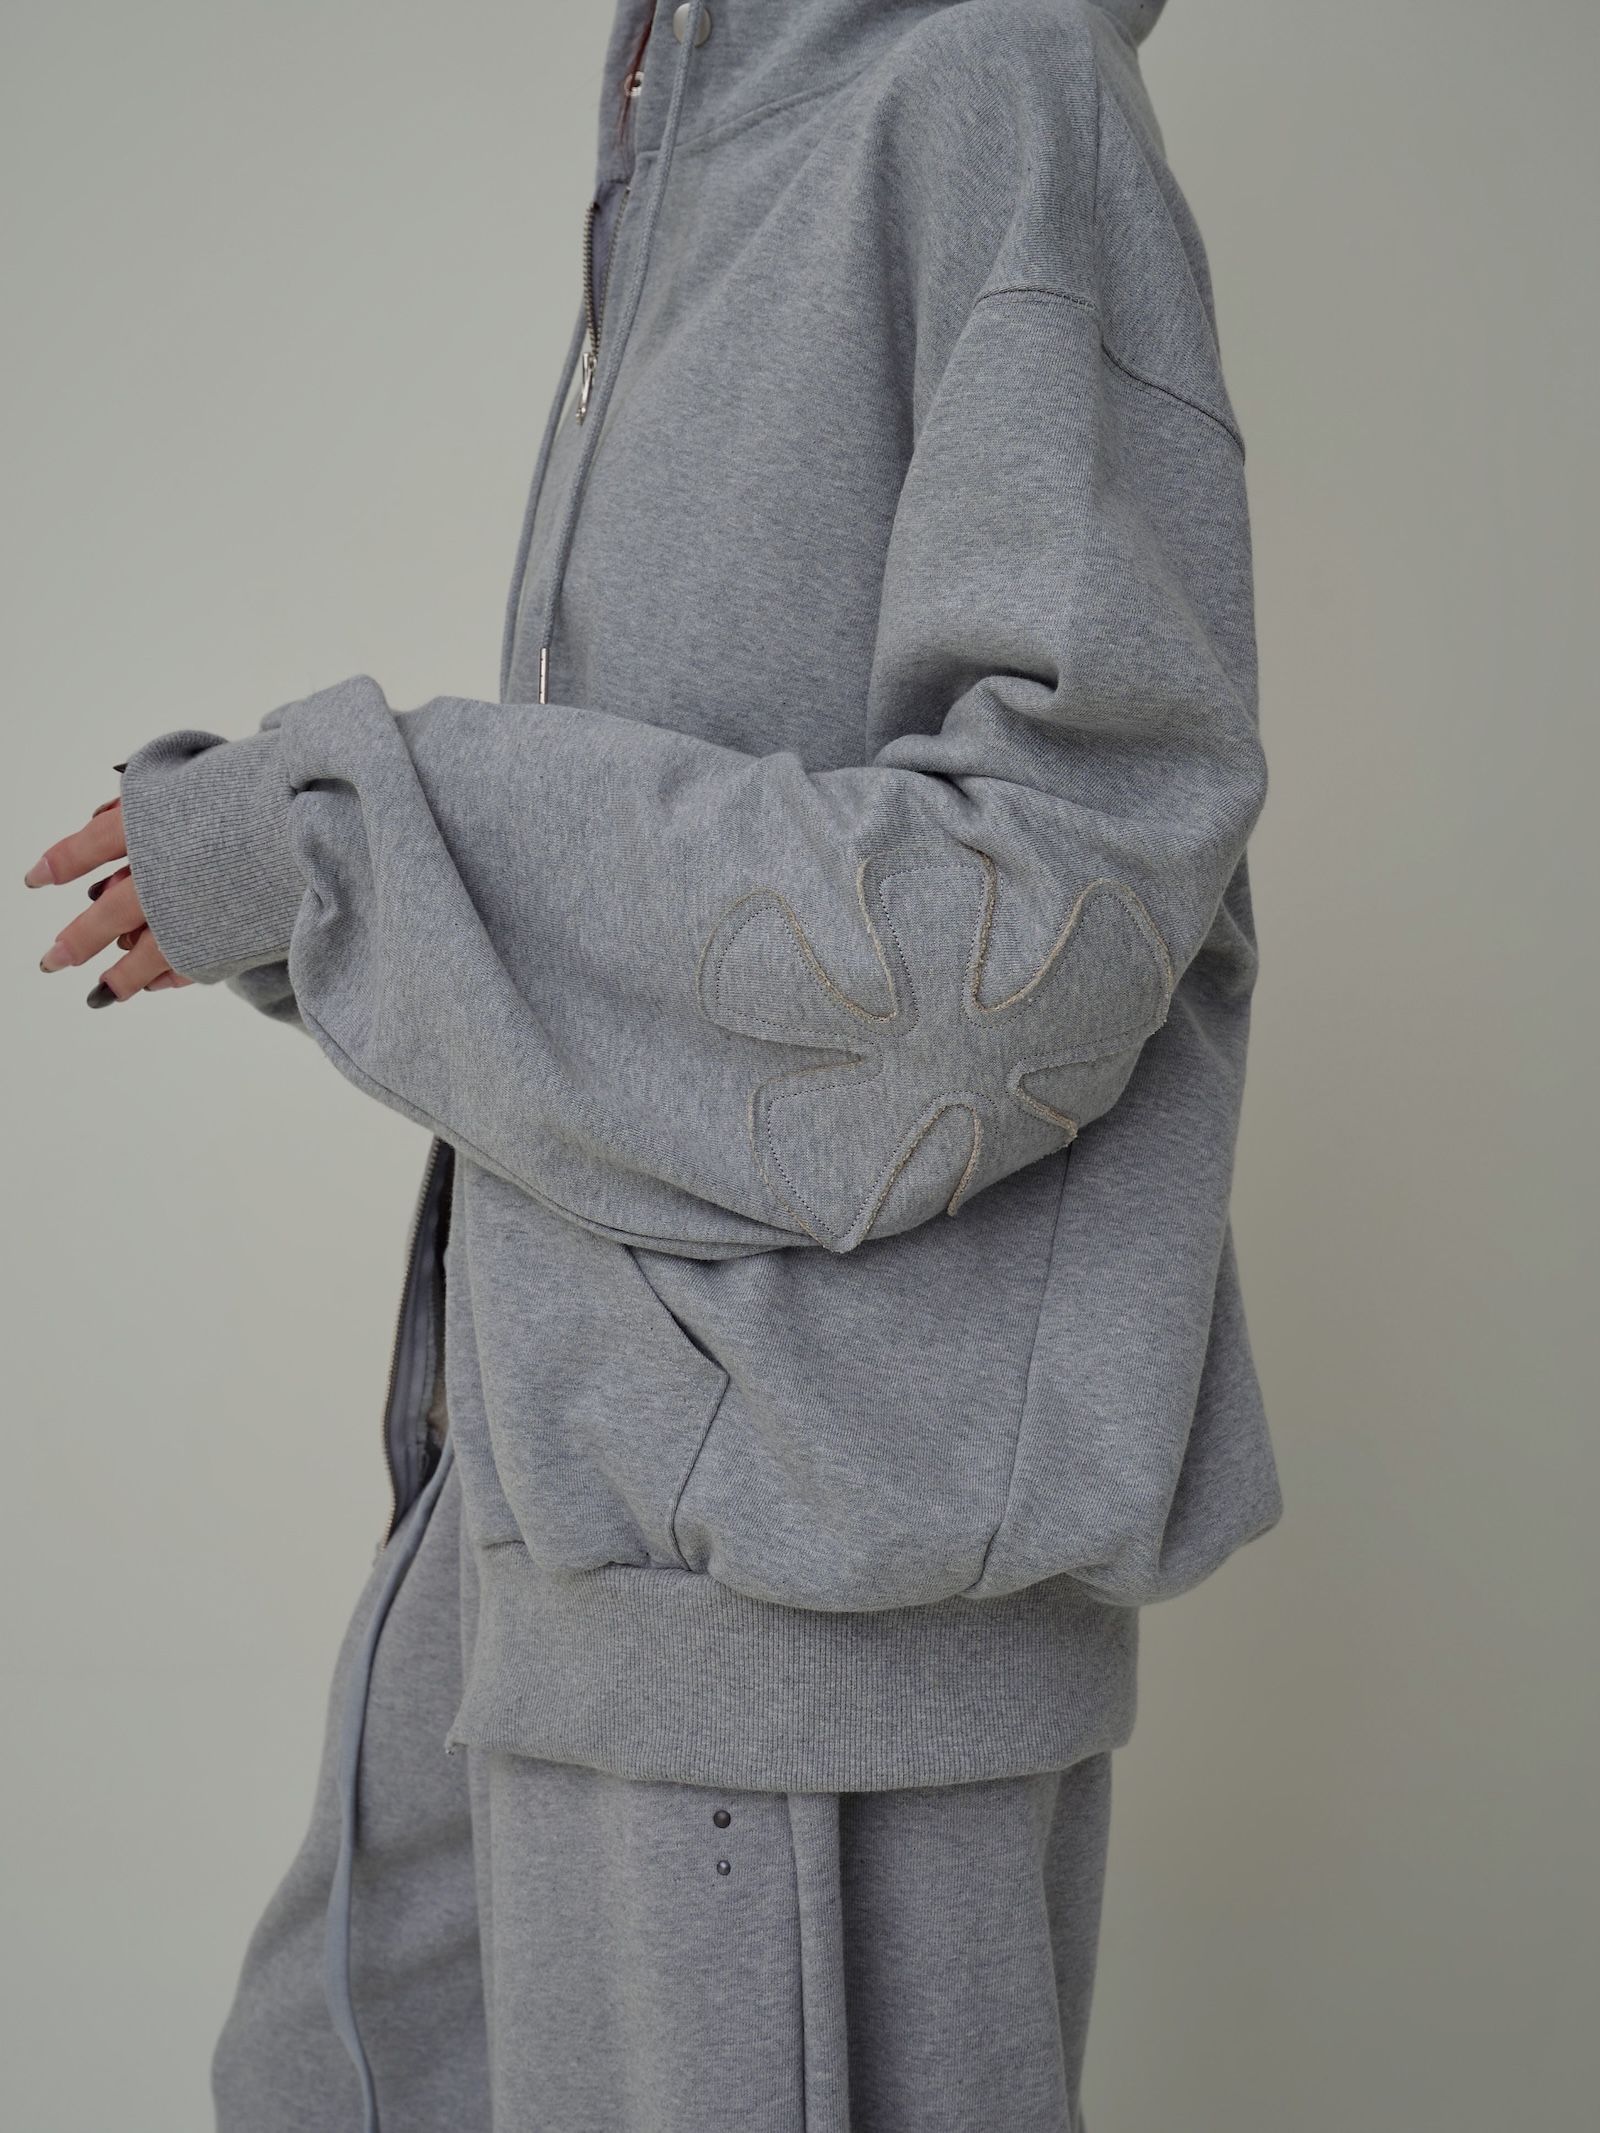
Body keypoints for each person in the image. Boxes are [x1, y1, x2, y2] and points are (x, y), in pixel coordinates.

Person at [26, 1, 1278, 2126]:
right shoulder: (689, 128)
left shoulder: (985, 91)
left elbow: (1033, 930)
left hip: (811, 1614)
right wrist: (347, 883)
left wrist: (363, 836)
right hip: (556, 1524)